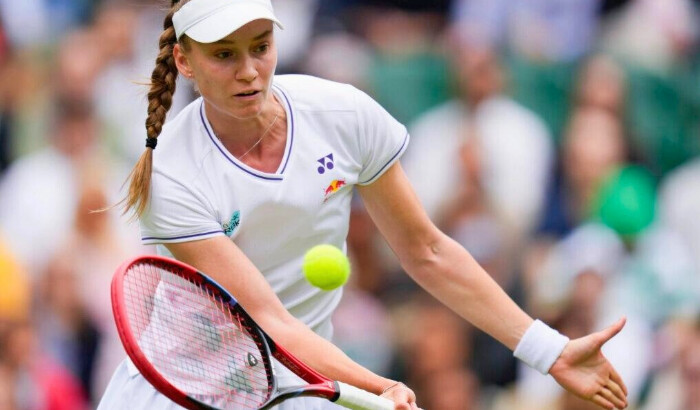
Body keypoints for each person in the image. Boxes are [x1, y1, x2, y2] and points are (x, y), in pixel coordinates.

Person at [98, 1, 630, 409]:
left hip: (302, 382)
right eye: (224, 55)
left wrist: (549, 350)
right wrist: (377, 388)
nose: (249, 71)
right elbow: (267, 319)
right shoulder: (169, 172)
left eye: (260, 46)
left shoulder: (343, 115)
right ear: (184, 61)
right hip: (185, 389)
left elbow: (427, 251)